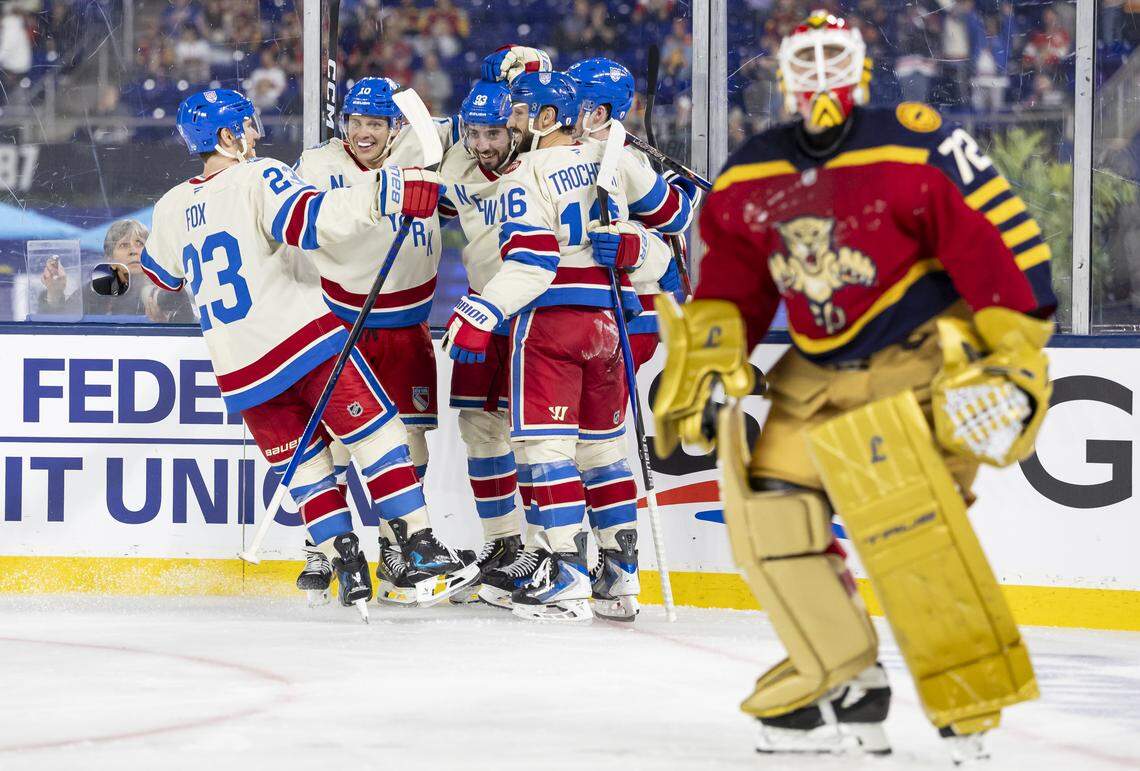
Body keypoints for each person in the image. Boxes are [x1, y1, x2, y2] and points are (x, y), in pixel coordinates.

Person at [653, 11, 1055, 761]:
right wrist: (709, 363)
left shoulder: (916, 138)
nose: (816, 74)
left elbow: (994, 236)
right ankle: (842, 676)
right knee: (771, 518)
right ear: (782, 75)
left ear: (860, 66)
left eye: (832, 55)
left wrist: (1015, 352)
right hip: (815, 369)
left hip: (919, 360)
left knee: (913, 529)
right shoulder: (753, 172)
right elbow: (730, 289)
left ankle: (968, 701)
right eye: (802, 59)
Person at [137, 88, 475, 613]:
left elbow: (163, 276)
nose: (256, 134)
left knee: (306, 465)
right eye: (247, 127)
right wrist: (387, 193)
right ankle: (417, 547)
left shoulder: (170, 205)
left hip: (239, 371)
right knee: (378, 436)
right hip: (303, 343)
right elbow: (312, 221)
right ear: (229, 136)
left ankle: (344, 560)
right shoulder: (259, 175)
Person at [440, 71, 686, 622]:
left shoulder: (524, 174)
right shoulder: (611, 156)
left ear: (550, 117)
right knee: (601, 453)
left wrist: (483, 310)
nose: (513, 123)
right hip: (609, 326)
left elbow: (534, 261)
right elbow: (672, 225)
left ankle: (567, 574)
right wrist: (637, 245)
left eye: (522, 113)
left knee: (544, 452)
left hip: (549, 324)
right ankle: (620, 579)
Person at [290, 76, 465, 606]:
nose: (363, 133)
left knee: (410, 445)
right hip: (344, 321)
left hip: (408, 325)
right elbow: (310, 229)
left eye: (375, 123)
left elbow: (493, 133)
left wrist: (519, 78)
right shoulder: (317, 165)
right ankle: (322, 548)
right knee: (341, 442)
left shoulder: (425, 142)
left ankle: (398, 553)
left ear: (395, 125)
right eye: (356, 122)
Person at [566, 55, 700, 620]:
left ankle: (598, 566)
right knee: (575, 444)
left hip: (622, 317)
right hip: (597, 316)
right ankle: (599, 566)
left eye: (573, 102)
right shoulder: (585, 155)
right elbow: (676, 211)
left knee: (587, 445)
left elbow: (671, 228)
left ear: (598, 113)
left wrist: (675, 196)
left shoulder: (618, 159)